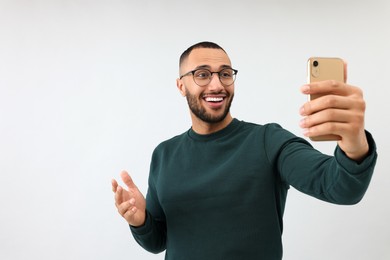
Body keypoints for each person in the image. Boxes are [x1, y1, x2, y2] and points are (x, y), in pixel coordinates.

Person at [111, 42, 377, 260]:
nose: (217, 85)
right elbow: (158, 241)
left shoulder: (267, 140)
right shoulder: (164, 154)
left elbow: (341, 187)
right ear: (181, 86)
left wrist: (354, 142)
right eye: (202, 74)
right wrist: (140, 220)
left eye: (225, 73)